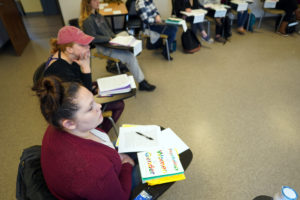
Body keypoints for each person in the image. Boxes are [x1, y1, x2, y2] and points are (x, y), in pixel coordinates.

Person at [32, 76, 138, 200]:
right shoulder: (91, 173)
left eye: (94, 101)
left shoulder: (57, 124)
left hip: (102, 164)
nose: (98, 106)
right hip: (108, 182)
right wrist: (126, 165)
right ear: (69, 124)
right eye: (90, 108)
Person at [43, 25, 124, 133]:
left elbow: (80, 83)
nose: (88, 47)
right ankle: (98, 132)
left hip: (75, 93)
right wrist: (86, 68)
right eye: (83, 45)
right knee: (119, 104)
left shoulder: (67, 56)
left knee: (111, 89)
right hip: (72, 107)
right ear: (69, 49)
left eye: (87, 44)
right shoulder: (60, 71)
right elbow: (83, 98)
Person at [79, 0, 156, 91]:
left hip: (110, 41)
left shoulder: (98, 15)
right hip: (104, 46)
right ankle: (142, 82)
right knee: (130, 57)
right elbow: (93, 38)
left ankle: (130, 49)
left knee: (125, 33)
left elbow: (109, 30)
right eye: (95, 1)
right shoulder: (88, 20)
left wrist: (114, 37)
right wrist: (109, 38)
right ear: (88, 3)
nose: (98, 2)